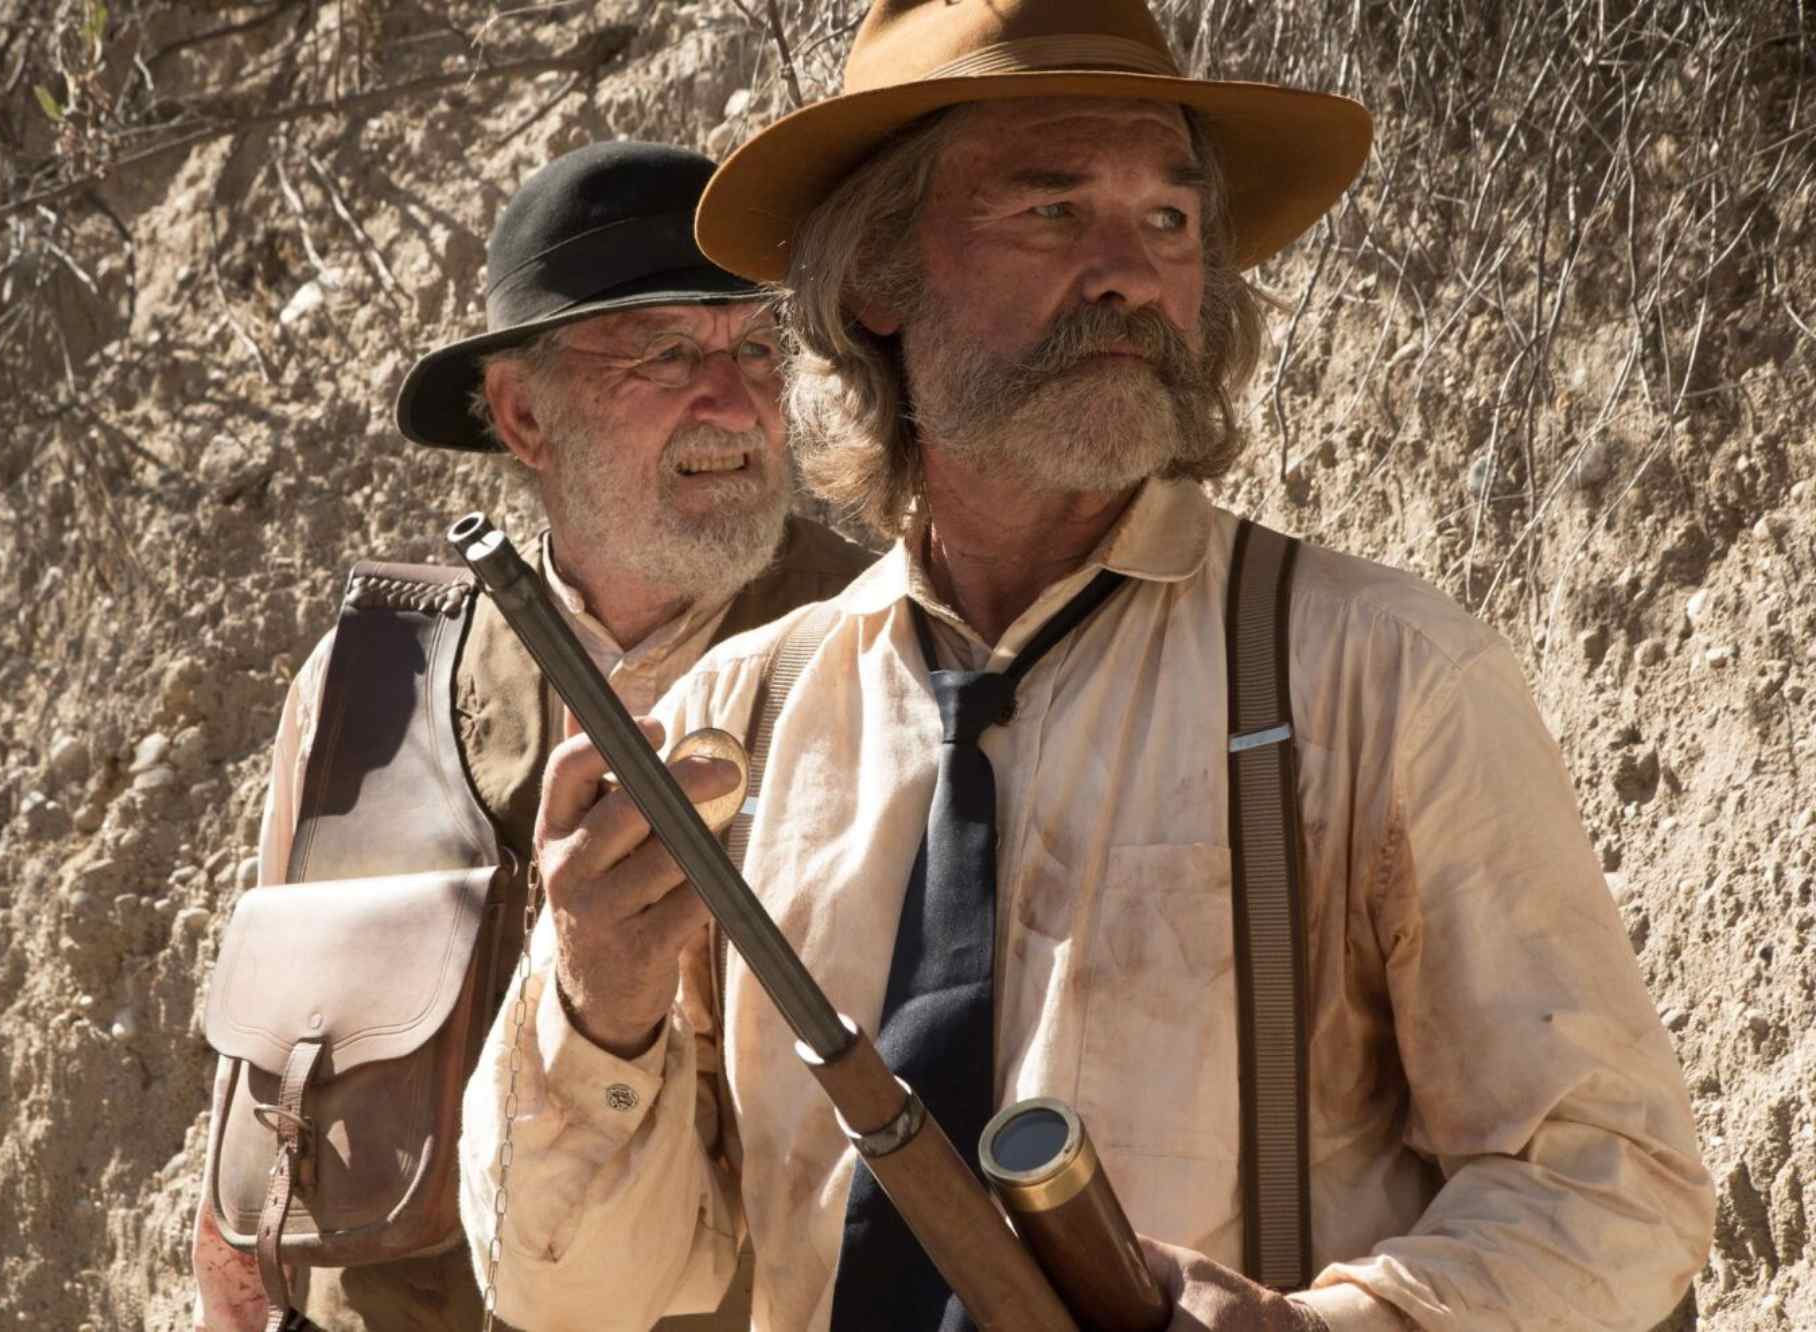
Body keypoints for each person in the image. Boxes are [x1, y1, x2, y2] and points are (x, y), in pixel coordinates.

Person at [459, 3, 1717, 1331]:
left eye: (1169, 222)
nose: (1129, 274)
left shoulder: (1381, 674)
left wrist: (1320, 1328)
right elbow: (582, 1293)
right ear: (881, 282)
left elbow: (1616, 1187)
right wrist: (600, 1009)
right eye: (1052, 214)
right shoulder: (743, 715)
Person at [189, 140, 872, 1332]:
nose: (731, 398)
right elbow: (251, 1162)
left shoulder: (889, 649)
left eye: (753, 349)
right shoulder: (373, 680)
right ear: (521, 414)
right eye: (664, 352)